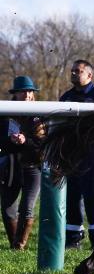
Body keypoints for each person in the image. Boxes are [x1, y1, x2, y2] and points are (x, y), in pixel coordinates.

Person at [59, 60, 94, 249]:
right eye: (72, 71)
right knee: (72, 196)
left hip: (92, 153)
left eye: (78, 71)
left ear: (89, 75)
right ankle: (73, 239)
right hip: (71, 154)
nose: (74, 73)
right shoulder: (66, 97)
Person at [0, 76, 45, 250]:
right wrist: (11, 141)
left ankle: (19, 245)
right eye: (23, 91)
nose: (27, 94)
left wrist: (25, 141)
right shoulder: (4, 114)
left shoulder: (40, 114)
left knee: (27, 207)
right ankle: (14, 244)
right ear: (15, 93)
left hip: (33, 167)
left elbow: (42, 143)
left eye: (30, 91)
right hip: (10, 167)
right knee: (8, 209)